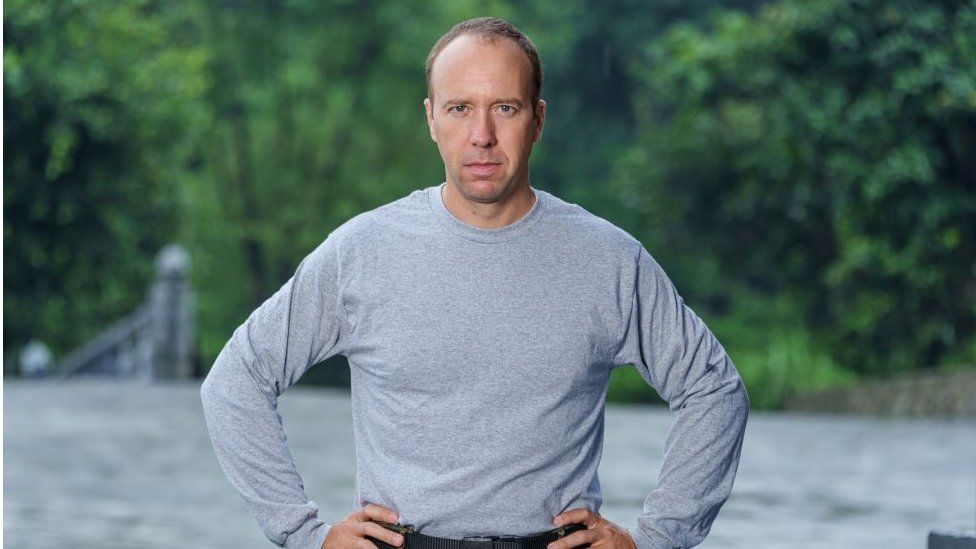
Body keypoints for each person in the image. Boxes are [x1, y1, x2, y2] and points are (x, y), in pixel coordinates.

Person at [201, 16, 749, 549]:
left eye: (504, 108)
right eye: (460, 108)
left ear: (537, 119)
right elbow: (236, 380)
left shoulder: (609, 260)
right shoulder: (360, 253)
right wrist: (304, 534)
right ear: (431, 118)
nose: (482, 136)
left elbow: (715, 391)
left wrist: (655, 540)